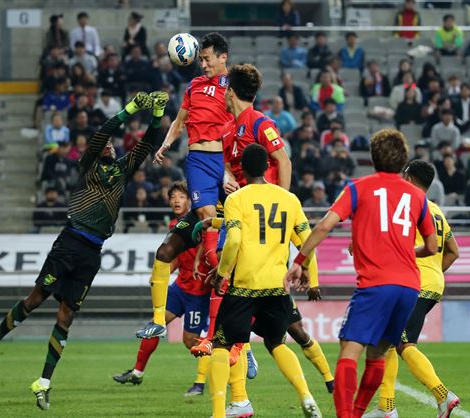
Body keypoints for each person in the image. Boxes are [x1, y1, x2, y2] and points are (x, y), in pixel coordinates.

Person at [0, 91, 168, 410]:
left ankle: (44, 382)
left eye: (112, 144)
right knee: (35, 299)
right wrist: (130, 109)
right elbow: (102, 132)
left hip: (92, 253)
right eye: (107, 142)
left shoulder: (120, 172)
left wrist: (157, 113)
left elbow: (147, 143)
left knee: (66, 317)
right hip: (69, 242)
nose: (110, 144)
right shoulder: (88, 163)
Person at [194, 64, 334, 398]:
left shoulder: (260, 123)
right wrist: (225, 178)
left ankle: (240, 364)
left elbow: (283, 161)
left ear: (230, 92)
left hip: (266, 228)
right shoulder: (228, 131)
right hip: (242, 218)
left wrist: (282, 204)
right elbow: (229, 169)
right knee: (228, 287)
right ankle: (243, 365)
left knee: (287, 326)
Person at [285, 128, 438, 418]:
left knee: (349, 348)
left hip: (376, 283)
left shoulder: (358, 187)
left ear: (373, 157)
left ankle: (346, 416)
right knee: (379, 353)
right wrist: (406, 252)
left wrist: (301, 259)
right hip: (409, 287)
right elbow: (431, 245)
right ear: (402, 159)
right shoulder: (417, 197)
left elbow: (324, 226)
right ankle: (355, 414)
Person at [204, 143, 322, 418]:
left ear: (242, 169)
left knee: (221, 344)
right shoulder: (289, 199)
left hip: (245, 286)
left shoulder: (236, 200)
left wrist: (222, 273)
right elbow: (307, 241)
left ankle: (220, 413)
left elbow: (232, 240)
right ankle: (307, 396)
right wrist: (309, 274)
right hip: (277, 286)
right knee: (276, 342)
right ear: (268, 167)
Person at [142, 33, 233, 338]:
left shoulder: (233, 84)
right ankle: (158, 318)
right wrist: (165, 144)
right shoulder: (193, 86)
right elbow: (179, 122)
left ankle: (239, 339)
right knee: (205, 216)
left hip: (224, 160)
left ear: (223, 57)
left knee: (228, 233)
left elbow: (239, 123)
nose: (202, 64)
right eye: (201, 58)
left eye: (207, 58)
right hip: (197, 160)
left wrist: (231, 167)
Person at [364, 160, 461, 418]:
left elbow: (391, 239)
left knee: (404, 344)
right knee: (388, 339)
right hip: (432, 282)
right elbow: (453, 251)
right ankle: (386, 407)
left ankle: (442, 395)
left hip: (413, 282)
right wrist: (435, 271)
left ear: (408, 176)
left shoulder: (408, 204)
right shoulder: (436, 210)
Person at [113, 182, 213, 396]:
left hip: (199, 293)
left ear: (191, 200)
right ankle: (137, 373)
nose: (176, 200)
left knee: (190, 342)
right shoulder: (176, 227)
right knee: (156, 323)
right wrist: (161, 272)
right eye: (173, 197)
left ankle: (202, 381)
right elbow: (176, 259)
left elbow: (209, 248)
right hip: (180, 288)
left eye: (181, 196)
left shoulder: (203, 220)